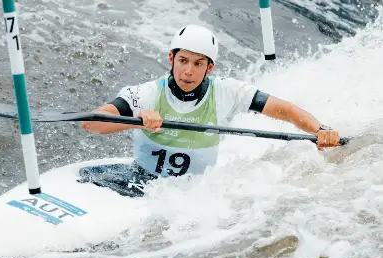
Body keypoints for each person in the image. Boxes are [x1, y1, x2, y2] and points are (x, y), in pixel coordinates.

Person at [79, 24, 340, 197]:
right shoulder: (148, 93)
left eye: (197, 63)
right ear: (171, 59)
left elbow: (286, 110)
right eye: (182, 61)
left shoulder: (229, 92)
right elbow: (92, 122)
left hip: (195, 193)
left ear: (210, 67)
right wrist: (137, 121)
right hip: (140, 179)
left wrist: (319, 129)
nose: (188, 71)